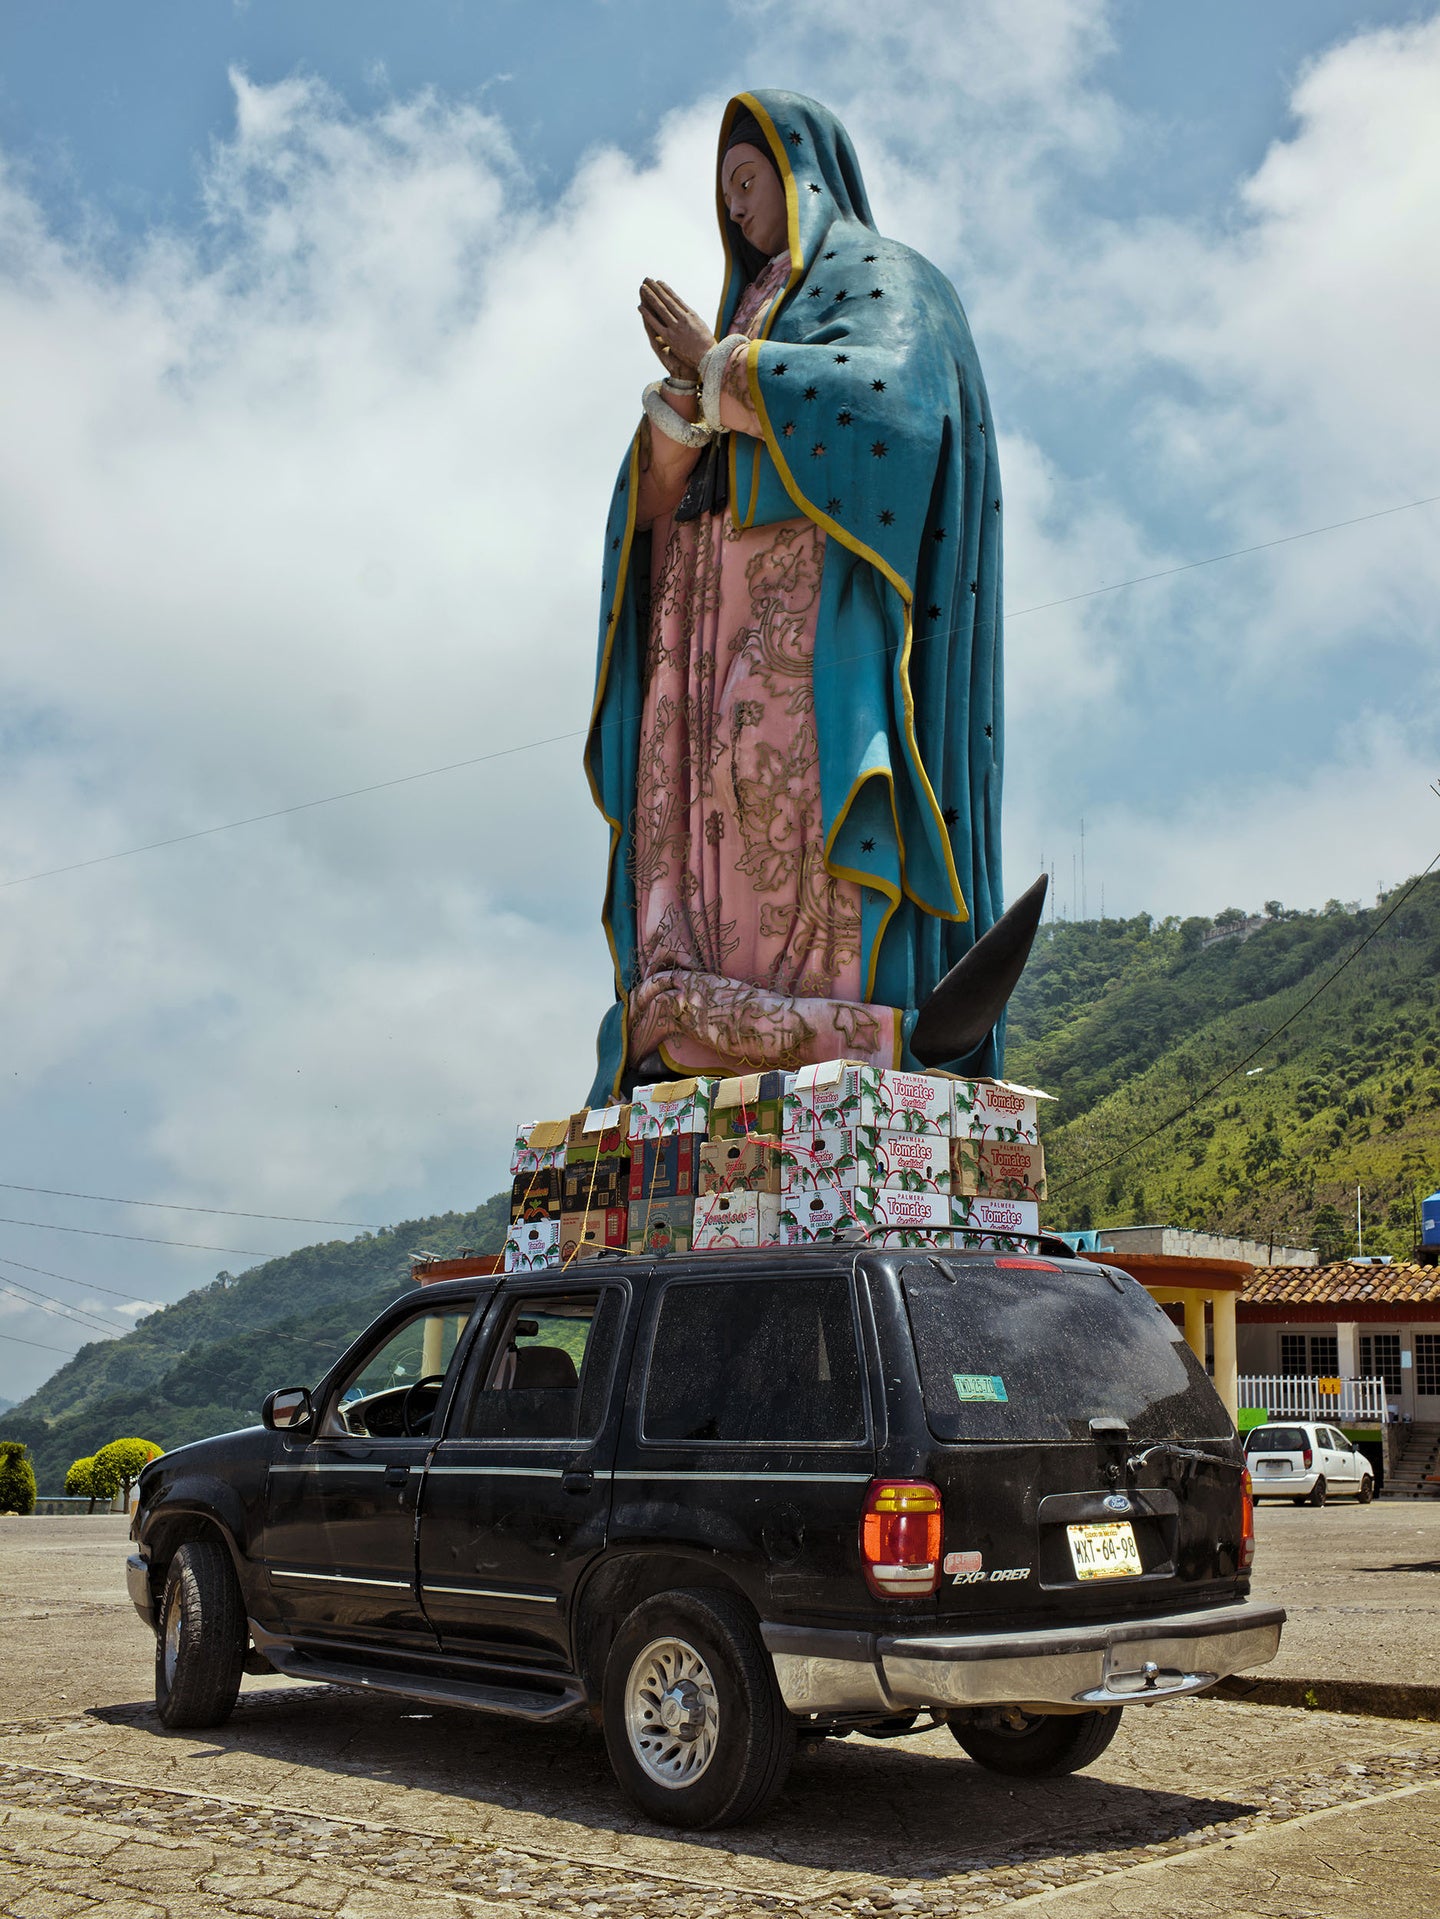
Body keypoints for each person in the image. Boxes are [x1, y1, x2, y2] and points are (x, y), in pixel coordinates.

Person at [585, 90, 1004, 1101]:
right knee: (699, 814)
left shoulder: (884, 279)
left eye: (747, 179)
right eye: (722, 191)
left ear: (803, 169)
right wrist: (682, 412)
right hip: (702, 613)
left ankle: (814, 1028)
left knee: (784, 804)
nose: (734, 207)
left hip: (806, 612)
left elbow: (889, 401)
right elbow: (661, 488)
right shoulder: (744, 304)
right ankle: (696, 1023)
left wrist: (725, 366)